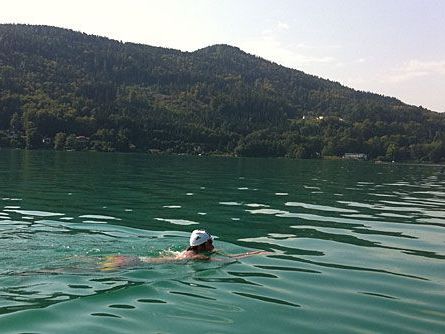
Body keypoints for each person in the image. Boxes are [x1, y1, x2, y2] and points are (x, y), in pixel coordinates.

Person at [99, 229, 270, 271]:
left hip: (133, 259)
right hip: (132, 263)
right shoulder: (197, 258)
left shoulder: (187, 252)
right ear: (202, 245)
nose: (213, 244)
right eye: (210, 242)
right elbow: (230, 259)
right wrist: (257, 253)